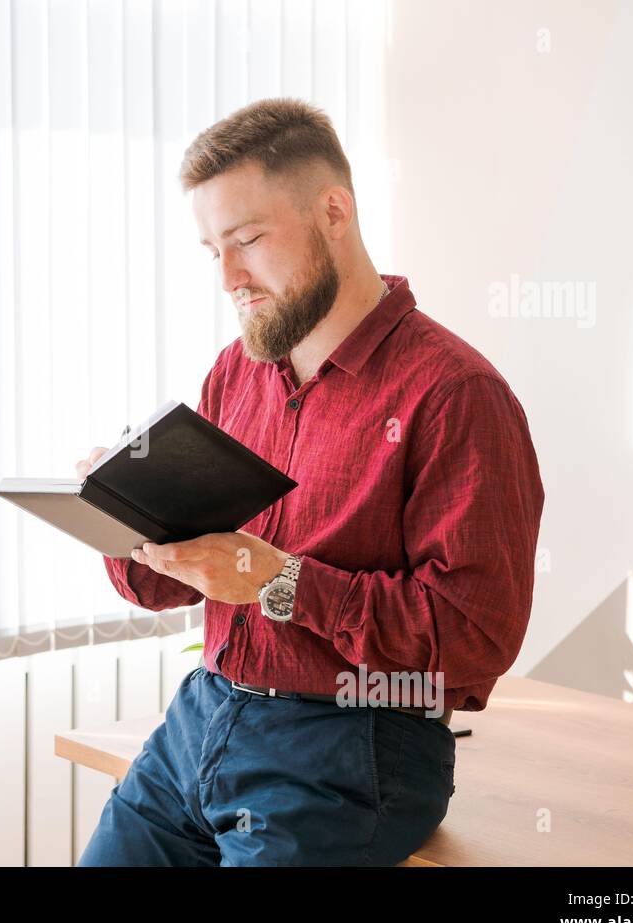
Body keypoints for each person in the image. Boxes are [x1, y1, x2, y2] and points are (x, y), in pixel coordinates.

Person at [75, 97, 545, 867]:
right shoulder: (237, 374)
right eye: (211, 249)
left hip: (352, 747)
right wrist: (125, 517)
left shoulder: (456, 394)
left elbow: (476, 636)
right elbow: (168, 586)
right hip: (203, 718)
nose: (228, 275)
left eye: (248, 239)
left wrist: (280, 580)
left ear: (334, 211)